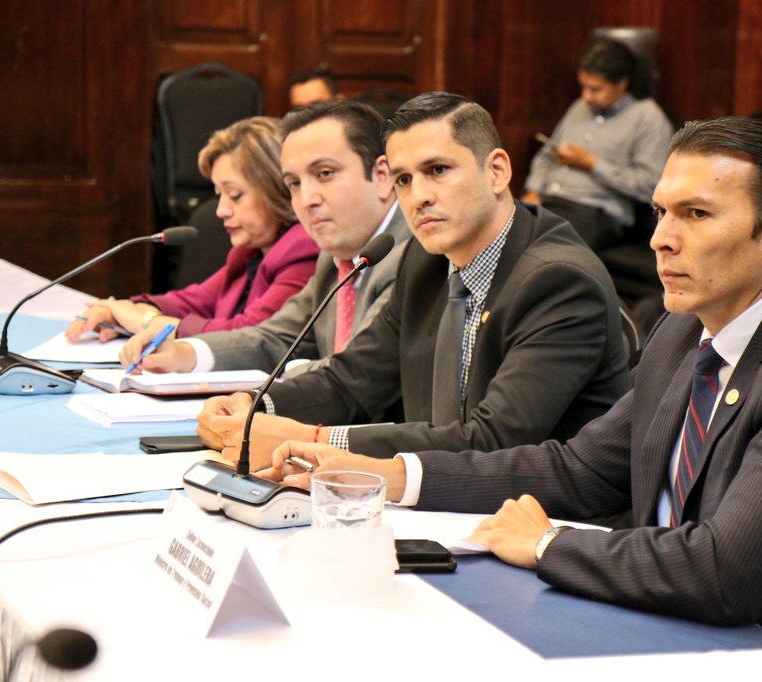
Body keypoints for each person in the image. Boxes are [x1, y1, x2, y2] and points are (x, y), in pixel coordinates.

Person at [268, 117, 762, 681]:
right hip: (681, 636)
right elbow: (579, 470)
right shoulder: (684, 331)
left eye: (696, 214)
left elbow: (727, 572)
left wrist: (546, 543)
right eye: (661, 211)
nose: (661, 238)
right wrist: (390, 476)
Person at [198, 92, 630, 470]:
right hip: (445, 501)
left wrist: (316, 440)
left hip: (544, 518)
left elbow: (494, 440)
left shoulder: (557, 281)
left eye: (437, 170)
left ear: (497, 171)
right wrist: (256, 404)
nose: (418, 196)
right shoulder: (424, 261)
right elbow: (355, 379)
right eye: (404, 179)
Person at [118, 101, 410, 380]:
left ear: (382, 176)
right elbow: (275, 339)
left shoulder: (409, 258)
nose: (307, 199)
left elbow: (360, 374)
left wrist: (283, 378)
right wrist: (186, 354)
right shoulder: (335, 259)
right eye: (294, 184)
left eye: (325, 174)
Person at [67, 116, 319, 343]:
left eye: (235, 195)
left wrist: (147, 322)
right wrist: (122, 310)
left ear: (279, 190)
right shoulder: (251, 252)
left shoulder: (303, 249)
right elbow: (194, 301)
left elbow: (248, 336)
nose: (221, 211)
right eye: (219, 195)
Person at [522, 39, 673, 250]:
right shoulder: (580, 107)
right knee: (499, 232)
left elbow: (650, 185)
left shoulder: (648, 118)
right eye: (583, 87)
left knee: (541, 247)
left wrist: (592, 163)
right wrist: (533, 190)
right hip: (548, 198)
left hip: (595, 210)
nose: (586, 96)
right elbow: (547, 155)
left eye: (595, 89)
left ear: (621, 83)